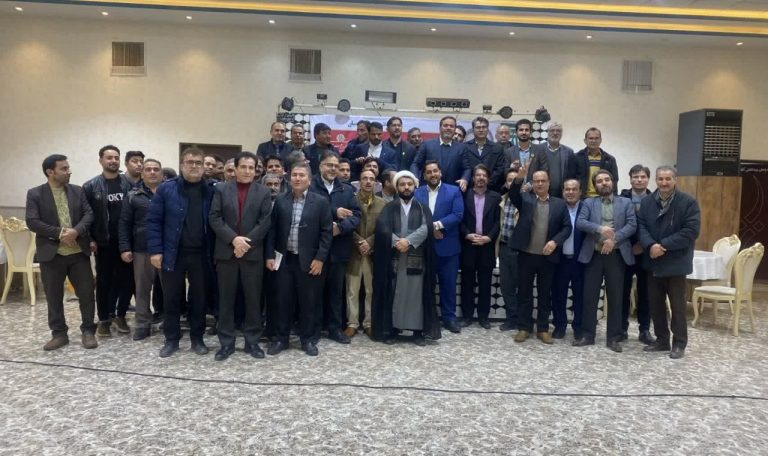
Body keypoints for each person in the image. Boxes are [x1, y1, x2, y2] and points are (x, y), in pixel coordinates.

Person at [147, 146, 216, 358]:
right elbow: (154, 221)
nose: (194, 166)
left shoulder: (212, 190)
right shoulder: (166, 189)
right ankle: (172, 339)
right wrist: (155, 251)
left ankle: (197, 338)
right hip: (172, 253)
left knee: (199, 299)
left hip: (201, 254)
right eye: (190, 162)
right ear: (182, 165)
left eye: (198, 163)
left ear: (203, 166)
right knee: (172, 298)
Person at [26, 154, 98, 350]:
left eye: (68, 167)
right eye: (64, 169)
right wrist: (60, 233)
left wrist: (76, 231)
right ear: (50, 172)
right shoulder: (35, 194)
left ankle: (88, 331)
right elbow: (32, 222)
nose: (69, 171)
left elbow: (88, 214)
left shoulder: (77, 191)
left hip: (78, 253)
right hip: (52, 254)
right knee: (54, 297)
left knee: (86, 294)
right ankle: (59, 334)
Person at [209, 151, 272, 361]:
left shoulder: (263, 191)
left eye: (251, 168)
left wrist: (245, 244)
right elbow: (215, 217)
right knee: (226, 301)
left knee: (253, 300)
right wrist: (234, 240)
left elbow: (265, 222)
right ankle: (226, 343)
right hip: (226, 253)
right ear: (235, 169)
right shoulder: (221, 189)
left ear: (256, 171)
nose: (247, 171)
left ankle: (252, 342)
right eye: (243, 167)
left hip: (252, 255)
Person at [266, 163, 333, 356]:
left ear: (309, 180)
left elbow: (327, 233)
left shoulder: (320, 202)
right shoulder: (281, 200)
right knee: (282, 301)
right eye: (294, 175)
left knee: (308, 302)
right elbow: (272, 230)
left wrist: (320, 258)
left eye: (302, 175)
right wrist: (269, 255)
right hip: (285, 260)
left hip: (309, 261)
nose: (297, 178)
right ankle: (281, 339)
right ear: (289, 179)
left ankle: (307, 339)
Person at [638, 166, 700, 359]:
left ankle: (679, 343)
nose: (664, 183)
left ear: (675, 180)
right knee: (655, 305)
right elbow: (641, 227)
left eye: (668, 179)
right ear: (655, 180)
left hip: (676, 263)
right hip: (653, 262)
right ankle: (662, 340)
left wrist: (662, 246)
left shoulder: (688, 202)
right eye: (660, 179)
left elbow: (690, 231)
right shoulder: (647, 202)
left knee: (678, 307)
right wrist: (650, 245)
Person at [372, 171, 441, 345]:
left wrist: (408, 241)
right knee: (394, 294)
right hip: (395, 258)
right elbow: (383, 229)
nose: (406, 187)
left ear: (415, 186)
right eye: (402, 184)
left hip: (416, 258)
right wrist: (397, 242)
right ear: (397, 187)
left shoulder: (422, 207)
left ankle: (417, 332)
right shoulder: (389, 207)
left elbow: (427, 227)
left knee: (416, 295)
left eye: (409, 184)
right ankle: (393, 330)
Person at [574, 170, 636, 352]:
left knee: (616, 297)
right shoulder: (588, 203)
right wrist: (600, 229)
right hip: (593, 255)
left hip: (616, 256)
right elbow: (580, 222)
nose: (604, 183)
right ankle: (587, 335)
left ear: (613, 182)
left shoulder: (626, 202)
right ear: (595, 185)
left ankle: (614, 338)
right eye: (599, 181)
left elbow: (632, 225)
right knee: (589, 296)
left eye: (607, 179)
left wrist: (614, 239)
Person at [509, 169, 571, 344]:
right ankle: (524, 327)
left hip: (547, 257)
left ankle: (543, 329)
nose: (540, 183)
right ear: (533, 183)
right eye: (536, 181)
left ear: (549, 182)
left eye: (543, 180)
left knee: (545, 293)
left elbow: (567, 227)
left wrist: (555, 242)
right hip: (526, 255)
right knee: (524, 293)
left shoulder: (560, 204)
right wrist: (519, 178)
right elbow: (513, 194)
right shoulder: (525, 199)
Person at [309, 152, 361, 344]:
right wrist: (334, 211)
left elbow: (357, 215)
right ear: (320, 166)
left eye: (335, 166)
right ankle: (314, 330)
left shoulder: (346, 190)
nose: (332, 169)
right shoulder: (311, 186)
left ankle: (334, 328)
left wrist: (340, 227)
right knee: (314, 293)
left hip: (339, 249)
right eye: (328, 165)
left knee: (335, 292)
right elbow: (308, 209)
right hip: (315, 250)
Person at [83, 145, 134, 337]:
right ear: (101, 160)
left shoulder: (129, 185)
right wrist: (90, 238)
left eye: (116, 158)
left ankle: (121, 315)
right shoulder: (90, 186)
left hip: (126, 244)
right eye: (109, 157)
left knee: (127, 281)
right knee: (104, 282)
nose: (113, 161)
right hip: (103, 243)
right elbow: (86, 215)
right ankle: (104, 319)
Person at [415, 160, 464, 333]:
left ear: (440, 173)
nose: (432, 174)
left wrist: (436, 226)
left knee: (448, 285)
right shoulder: (417, 192)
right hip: (424, 248)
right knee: (425, 286)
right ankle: (427, 317)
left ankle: (449, 318)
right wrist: (430, 230)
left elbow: (457, 215)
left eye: (435, 171)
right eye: (428, 172)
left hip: (448, 248)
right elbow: (414, 216)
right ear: (424, 175)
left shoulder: (454, 191)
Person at [118, 158, 163, 341]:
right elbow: (124, 223)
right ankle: (143, 324)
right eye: (148, 169)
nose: (152, 172)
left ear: (161, 173)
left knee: (170, 289)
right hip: (142, 249)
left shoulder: (170, 193)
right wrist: (124, 247)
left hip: (167, 249)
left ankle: (169, 322)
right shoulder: (133, 196)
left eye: (156, 169)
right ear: (142, 174)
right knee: (142, 289)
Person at [344, 169, 386, 338]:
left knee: (370, 290)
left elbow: (384, 228)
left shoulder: (383, 204)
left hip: (372, 254)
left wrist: (370, 242)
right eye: (365, 178)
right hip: (353, 253)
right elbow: (345, 224)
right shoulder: (350, 201)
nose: (368, 181)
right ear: (359, 182)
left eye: (371, 179)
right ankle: (352, 323)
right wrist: (359, 242)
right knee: (352, 290)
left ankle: (369, 323)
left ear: (376, 183)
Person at [459, 165, 501, 329]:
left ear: (488, 179)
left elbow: (498, 221)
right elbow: (459, 219)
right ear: (473, 178)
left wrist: (489, 237)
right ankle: (467, 316)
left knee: (485, 283)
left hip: (487, 245)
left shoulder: (496, 197)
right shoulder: (464, 195)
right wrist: (467, 234)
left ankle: (484, 317)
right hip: (468, 244)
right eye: (478, 175)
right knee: (467, 282)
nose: (481, 178)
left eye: (484, 175)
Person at [619, 164, 655, 345]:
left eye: (643, 177)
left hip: (646, 253)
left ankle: (644, 330)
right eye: (635, 177)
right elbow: (618, 223)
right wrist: (630, 245)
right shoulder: (621, 198)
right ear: (630, 179)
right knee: (622, 292)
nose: (639, 180)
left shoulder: (655, 199)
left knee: (645, 293)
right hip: (625, 251)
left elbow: (657, 226)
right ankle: (622, 329)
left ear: (648, 179)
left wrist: (643, 244)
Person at [550, 179, 585, 339]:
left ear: (580, 192)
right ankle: (559, 326)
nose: (570, 192)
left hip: (580, 260)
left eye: (574, 189)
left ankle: (578, 327)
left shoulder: (586, 208)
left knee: (580, 295)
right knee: (558, 294)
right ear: (563, 191)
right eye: (567, 189)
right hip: (560, 259)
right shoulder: (556, 207)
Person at [411, 116, 470, 192]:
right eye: (445, 125)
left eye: (451, 126)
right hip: (428, 189)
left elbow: (467, 168)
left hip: (451, 191)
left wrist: (465, 179)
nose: (448, 128)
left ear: (454, 129)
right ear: (440, 128)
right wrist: (415, 178)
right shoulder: (427, 144)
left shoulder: (462, 148)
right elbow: (415, 164)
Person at [527, 122, 576, 198]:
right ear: (547, 132)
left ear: (561, 134)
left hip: (561, 194)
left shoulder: (568, 152)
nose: (555, 133)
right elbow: (532, 171)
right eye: (552, 130)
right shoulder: (537, 149)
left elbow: (571, 174)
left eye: (558, 131)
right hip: (541, 192)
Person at [498, 167, 520, 332]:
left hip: (520, 250)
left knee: (522, 286)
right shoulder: (502, 200)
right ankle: (511, 318)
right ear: (506, 183)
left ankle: (522, 319)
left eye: (516, 180)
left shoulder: (527, 200)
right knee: (507, 286)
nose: (512, 183)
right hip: (504, 247)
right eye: (510, 180)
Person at [463, 116, 507, 192]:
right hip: (470, 189)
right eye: (478, 127)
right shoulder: (465, 147)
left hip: (491, 189)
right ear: (473, 130)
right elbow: (464, 167)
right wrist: (474, 181)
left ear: (487, 129)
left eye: (484, 127)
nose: (481, 130)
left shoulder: (497, 148)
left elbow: (500, 169)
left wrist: (486, 181)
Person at [574, 128, 619, 197]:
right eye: (591, 138)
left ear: (601, 140)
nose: (594, 141)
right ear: (585, 141)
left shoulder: (610, 159)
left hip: (603, 197)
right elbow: (571, 179)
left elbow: (614, 180)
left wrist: (614, 198)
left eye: (596, 138)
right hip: (582, 198)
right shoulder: (576, 158)